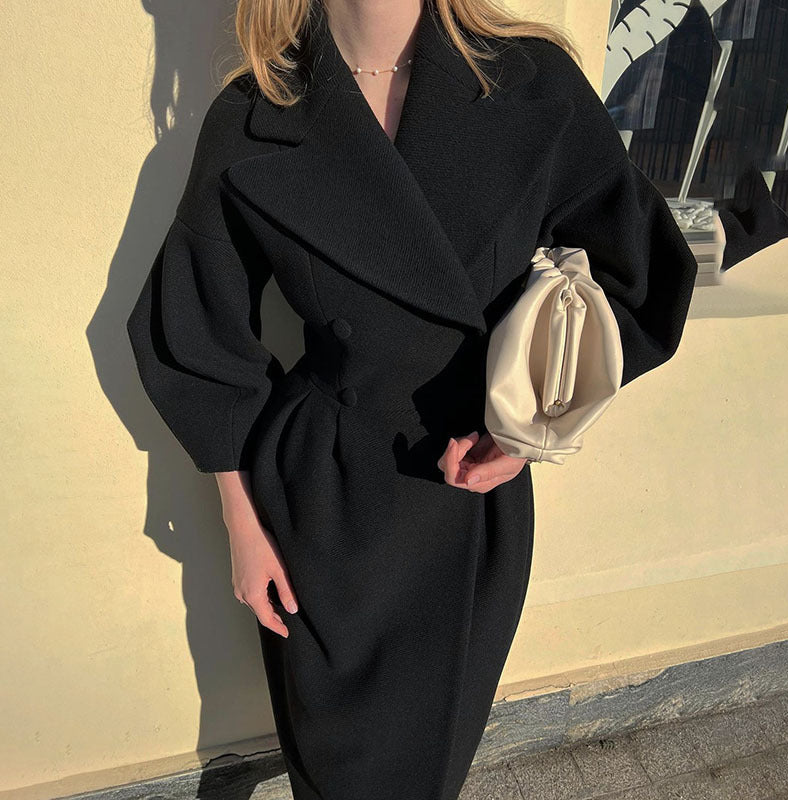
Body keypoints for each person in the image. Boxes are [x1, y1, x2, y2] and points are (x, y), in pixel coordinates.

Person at [126, 0, 699, 797]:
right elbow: (195, 330)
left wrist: (528, 430)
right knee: (333, 767)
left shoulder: (533, 83)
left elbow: (640, 272)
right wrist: (239, 520)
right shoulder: (255, 111)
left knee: (424, 767)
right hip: (319, 500)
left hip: (462, 494)